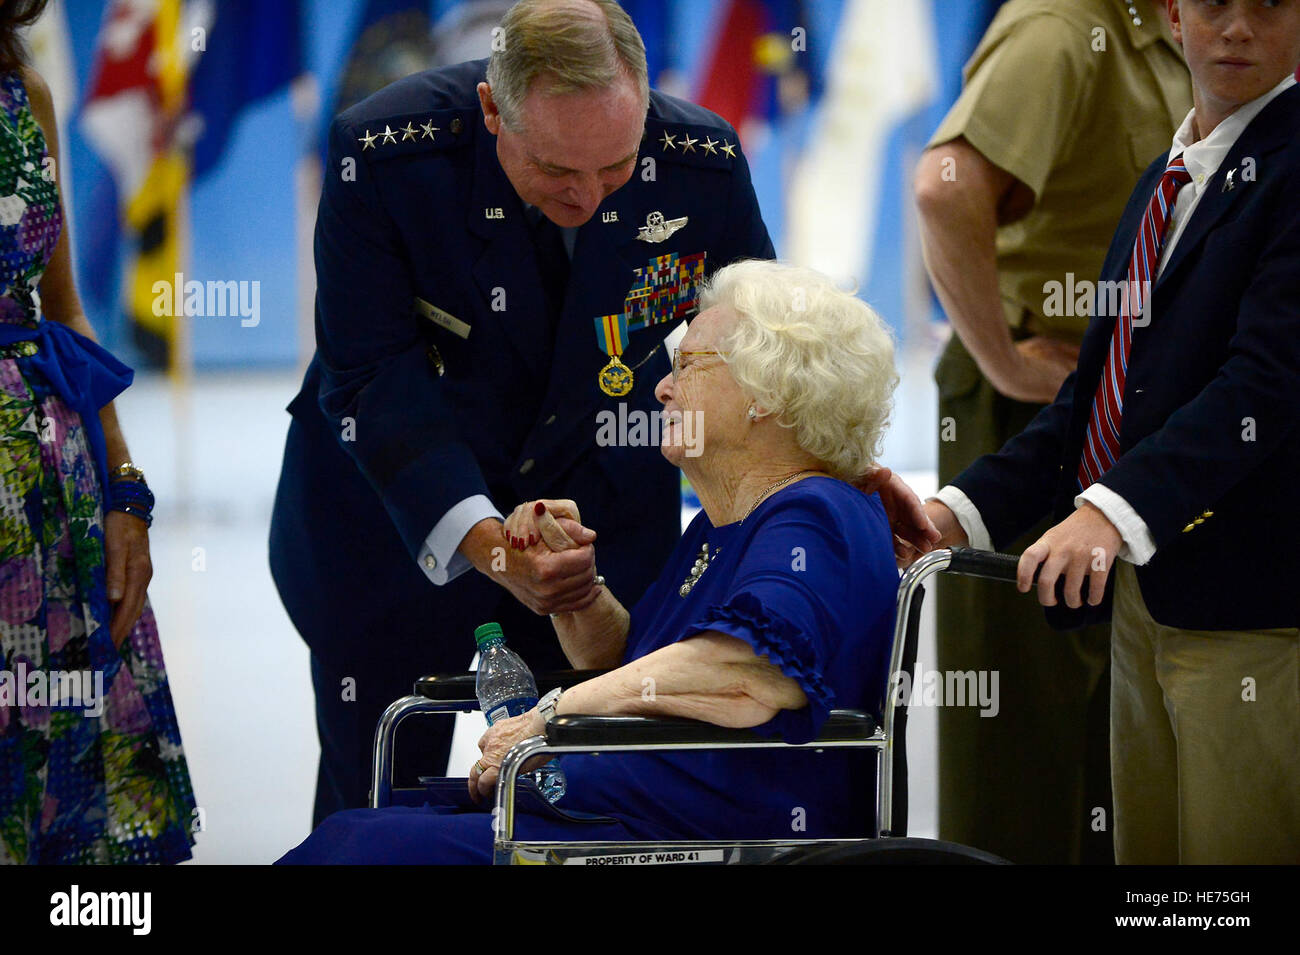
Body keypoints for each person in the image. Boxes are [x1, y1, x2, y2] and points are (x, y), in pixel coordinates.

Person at [268, 0, 778, 827]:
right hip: (394, 530)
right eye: (555, 170)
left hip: (598, 541)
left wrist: (834, 467)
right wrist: (491, 547)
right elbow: (370, 377)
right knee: (376, 803)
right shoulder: (385, 158)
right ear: (492, 110)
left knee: (589, 804)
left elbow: (761, 348)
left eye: (614, 168)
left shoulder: (703, 163)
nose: (587, 195)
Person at [277, 259, 900, 863]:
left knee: (352, 848)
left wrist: (549, 716)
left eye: (686, 365)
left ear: (767, 393)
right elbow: (630, 667)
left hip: (685, 835)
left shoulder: (813, 516)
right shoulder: (726, 522)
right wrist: (579, 586)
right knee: (354, 835)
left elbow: (751, 674)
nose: (660, 386)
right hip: (620, 816)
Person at [918, 0, 1300, 864]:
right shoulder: (1167, 178)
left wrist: (1110, 510)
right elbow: (1095, 402)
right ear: (1173, 14)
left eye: (1269, 5)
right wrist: (954, 510)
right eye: (1214, 4)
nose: (1237, 28)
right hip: (1146, 599)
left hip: (1250, 612)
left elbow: (1267, 384)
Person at [0, 0, 196, 863]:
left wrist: (124, 489)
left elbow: (62, 305)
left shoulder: (22, 94)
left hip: (50, 502)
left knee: (58, 792)